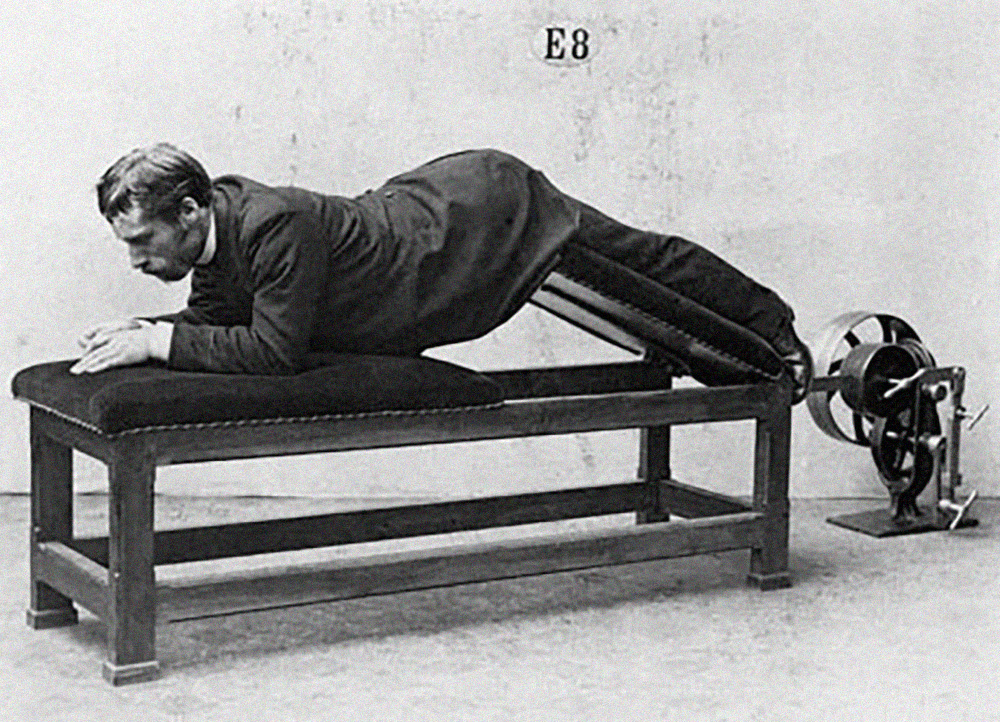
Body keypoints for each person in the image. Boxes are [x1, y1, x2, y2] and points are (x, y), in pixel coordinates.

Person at [72, 144, 811, 395]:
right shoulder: (219, 235)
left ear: (194, 211)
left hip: (476, 219)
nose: (138, 260)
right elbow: (211, 324)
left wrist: (158, 342)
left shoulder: (270, 223)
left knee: (638, 258)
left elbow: (271, 350)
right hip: (430, 208)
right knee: (637, 256)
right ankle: (767, 322)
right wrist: (142, 331)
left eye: (143, 242)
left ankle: (772, 327)